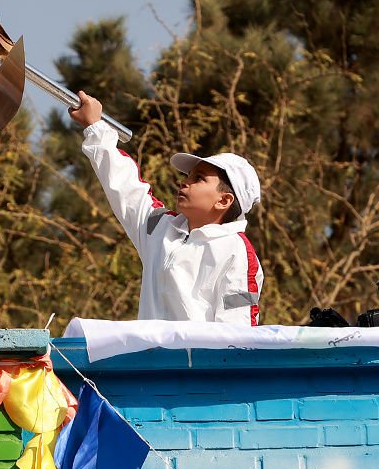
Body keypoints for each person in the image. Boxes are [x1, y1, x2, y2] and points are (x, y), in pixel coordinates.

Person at [69, 91, 263, 324]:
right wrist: (95, 126)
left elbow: (237, 331)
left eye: (199, 178)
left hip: (197, 361)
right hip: (150, 359)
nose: (184, 181)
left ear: (223, 201)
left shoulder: (236, 251)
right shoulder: (159, 228)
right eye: (188, 175)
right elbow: (125, 187)